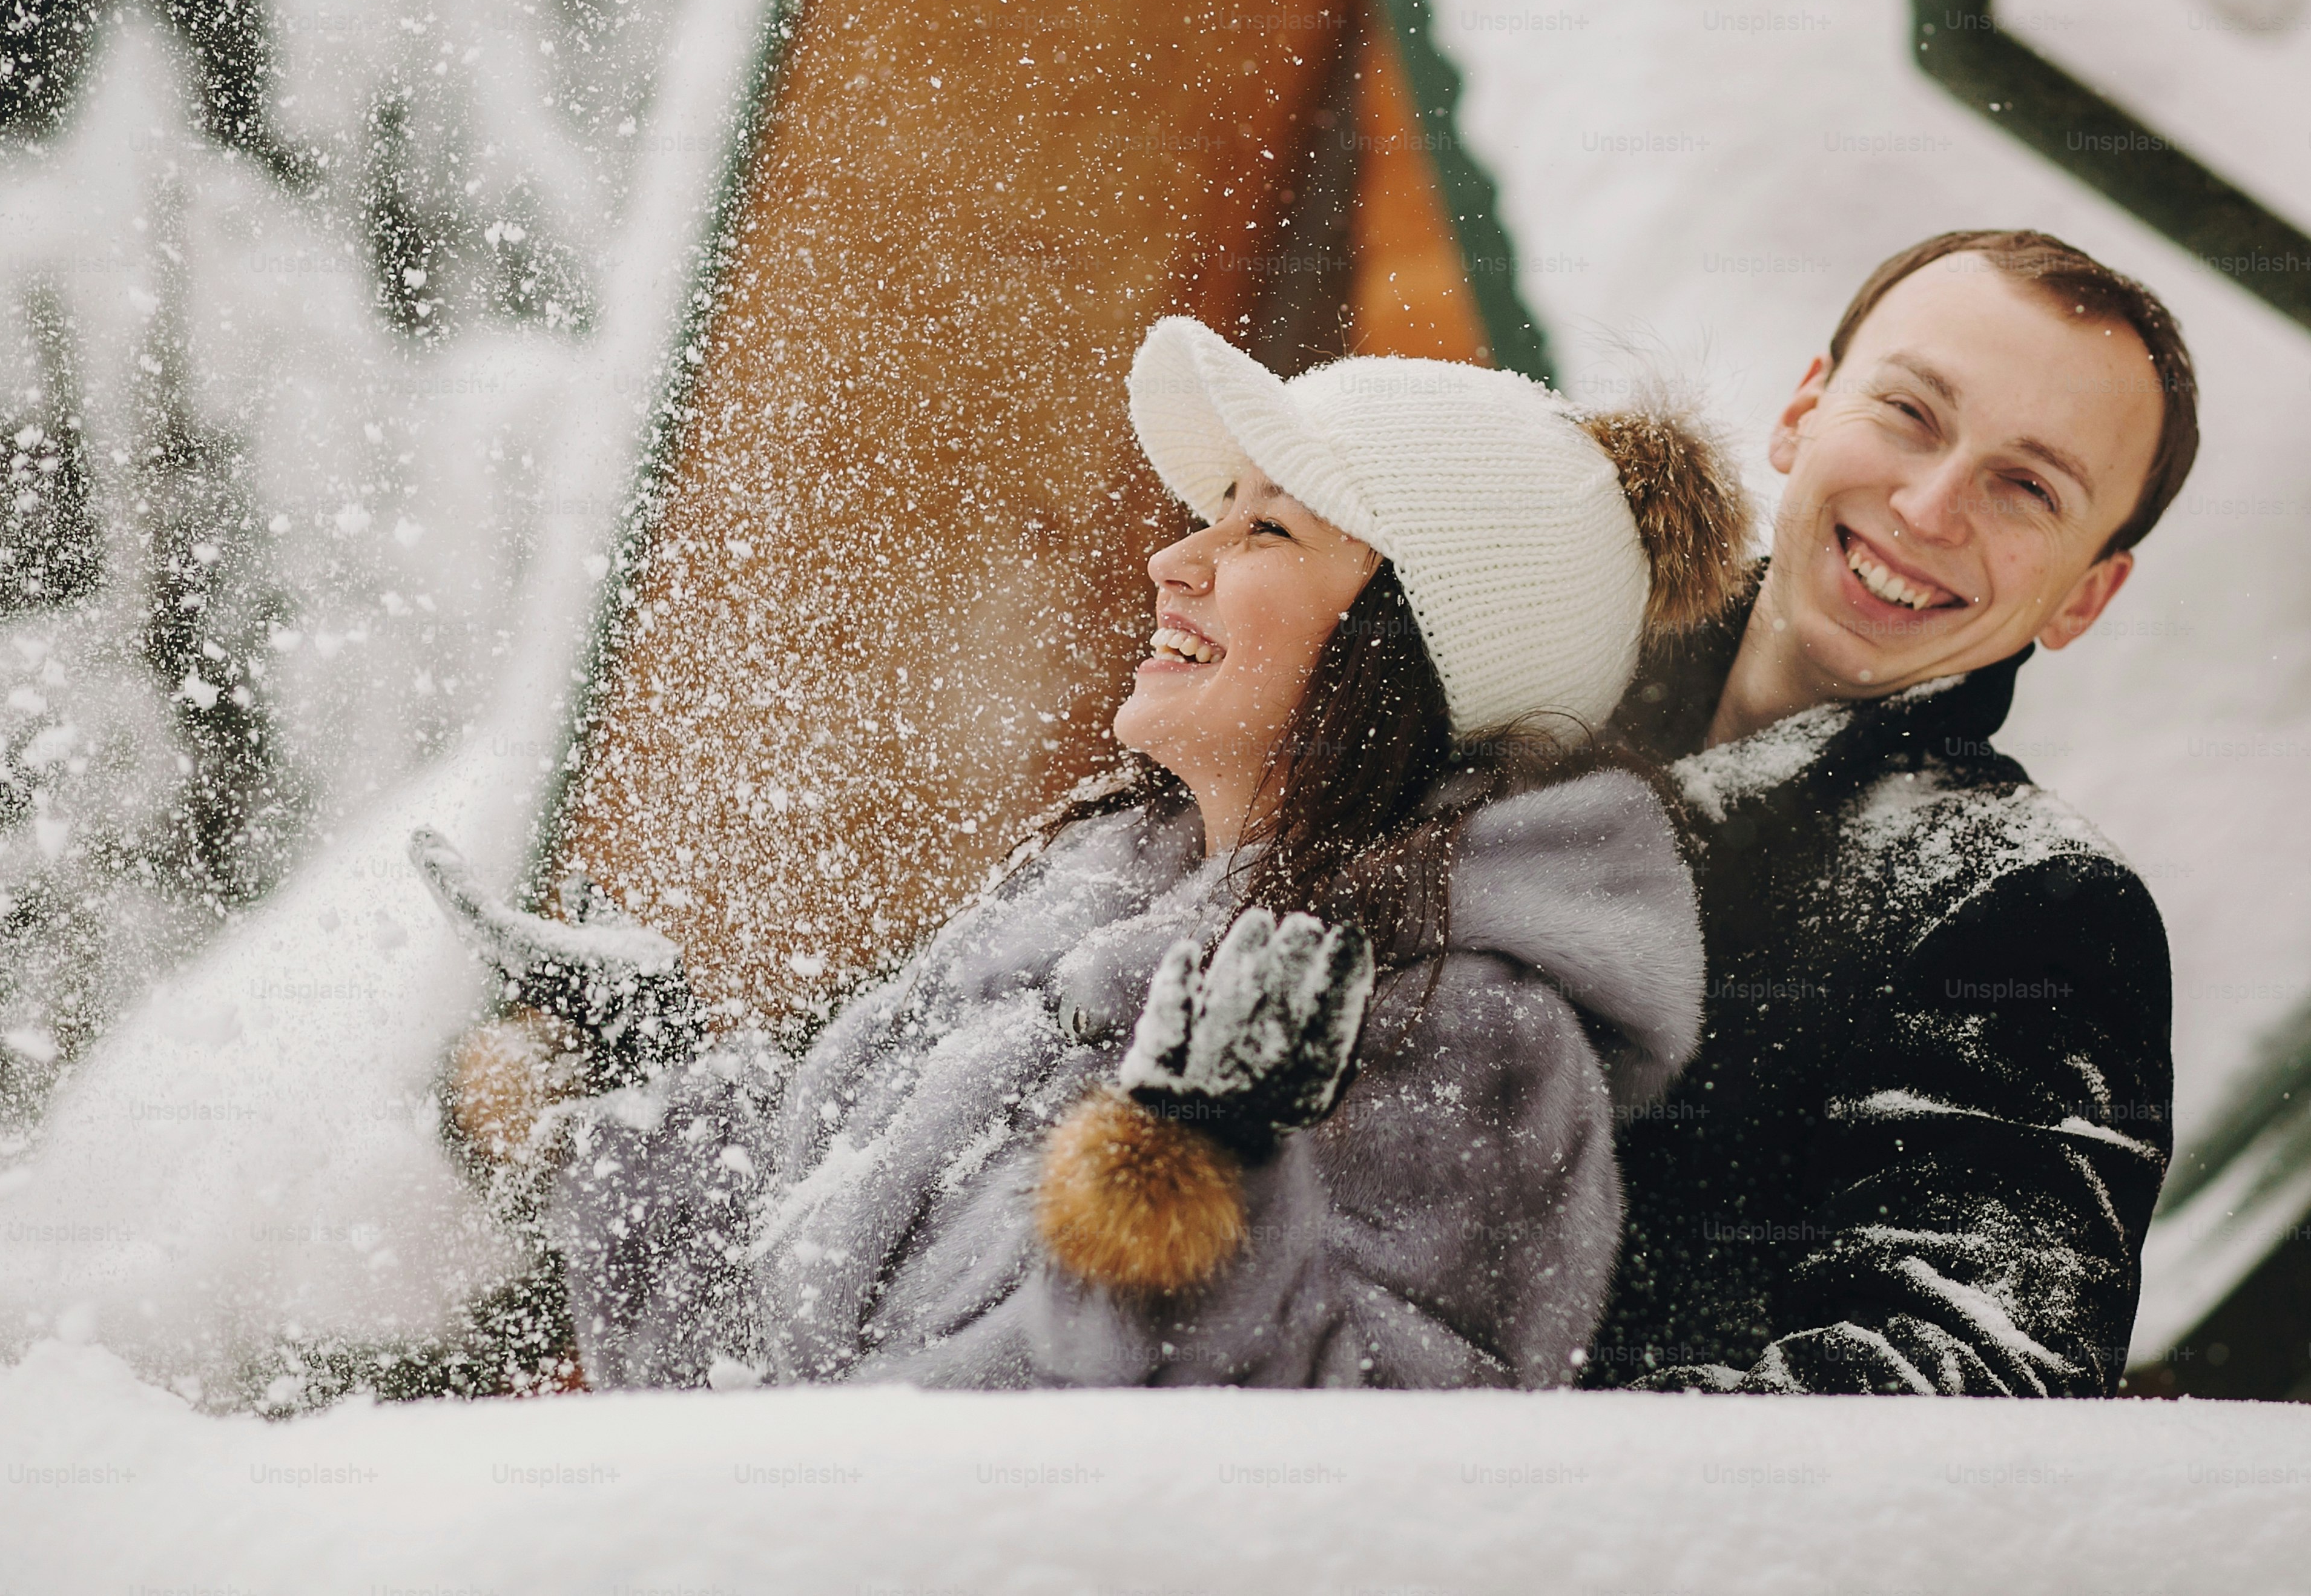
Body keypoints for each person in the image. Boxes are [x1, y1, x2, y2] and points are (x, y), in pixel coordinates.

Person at [410, 314, 1753, 1391]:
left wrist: (1205, 1190)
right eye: (1210, 508)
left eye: (1264, 527)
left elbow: (1362, 1507)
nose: (1178, 556)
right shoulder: (1057, 921)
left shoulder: (1455, 1024)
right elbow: (737, 1367)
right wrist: (651, 1090)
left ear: (1412, 648)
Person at [1591, 229, 2196, 1396]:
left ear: (2086, 596)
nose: (1928, 506)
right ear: (1802, 411)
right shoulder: (1509, 687)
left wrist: (1467, 1467)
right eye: (1910, 413)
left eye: (2028, 486)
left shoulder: (2032, 911)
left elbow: (1955, 1397)